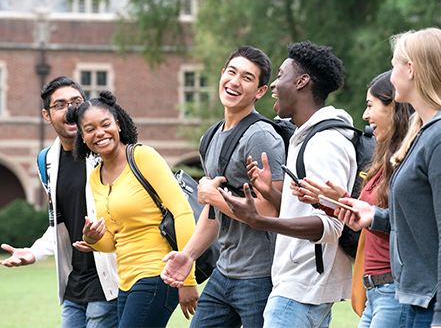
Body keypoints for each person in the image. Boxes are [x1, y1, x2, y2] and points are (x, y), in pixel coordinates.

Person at [218, 41, 358, 328]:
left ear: (302, 81)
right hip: (298, 286)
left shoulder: (324, 143)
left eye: (280, 75)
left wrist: (260, 221)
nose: (273, 85)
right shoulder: (305, 138)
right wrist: (270, 191)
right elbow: (311, 212)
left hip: (300, 289)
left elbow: (331, 226)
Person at [161, 45, 286, 328]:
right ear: (221, 75)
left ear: (260, 91)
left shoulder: (261, 136)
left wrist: (215, 198)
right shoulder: (211, 137)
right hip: (224, 272)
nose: (234, 82)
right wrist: (188, 256)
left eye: (247, 78)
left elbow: (273, 211)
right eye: (231, 72)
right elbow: (213, 215)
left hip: (260, 276)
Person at [334, 28, 441, 328]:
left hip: (426, 303)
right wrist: (373, 216)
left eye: (393, 64)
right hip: (413, 298)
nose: (390, 74)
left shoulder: (437, 137)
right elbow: (421, 220)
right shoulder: (423, 135)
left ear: (411, 69)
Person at [289, 70, 413, 327]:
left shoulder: (410, 160)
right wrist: (330, 201)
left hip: (394, 291)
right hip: (373, 292)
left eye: (370, 106)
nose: (365, 116)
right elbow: (366, 217)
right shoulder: (383, 162)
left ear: (394, 106)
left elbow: (409, 222)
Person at [65, 90, 198, 328]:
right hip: (125, 283)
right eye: (90, 129)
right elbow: (113, 241)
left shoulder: (142, 157)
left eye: (105, 124)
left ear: (117, 124)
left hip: (159, 273)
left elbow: (183, 213)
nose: (100, 133)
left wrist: (187, 278)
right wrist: (92, 238)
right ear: (82, 137)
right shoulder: (96, 177)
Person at [0, 76, 119, 328]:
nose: (71, 110)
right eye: (61, 105)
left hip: (109, 282)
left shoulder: (106, 152)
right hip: (73, 286)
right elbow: (61, 225)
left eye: (77, 102)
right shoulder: (47, 161)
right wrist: (33, 253)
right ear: (47, 115)